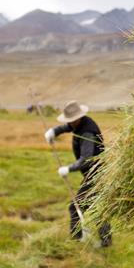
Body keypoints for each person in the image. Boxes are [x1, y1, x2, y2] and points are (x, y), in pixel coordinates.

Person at [44, 100, 112, 247]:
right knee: (98, 207)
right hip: (96, 173)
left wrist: (68, 168)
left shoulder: (87, 132)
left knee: (75, 207)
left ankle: (76, 241)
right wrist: (54, 131)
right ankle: (106, 242)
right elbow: (67, 127)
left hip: (96, 174)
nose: (70, 123)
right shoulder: (80, 123)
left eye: (72, 120)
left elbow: (86, 159)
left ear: (78, 117)